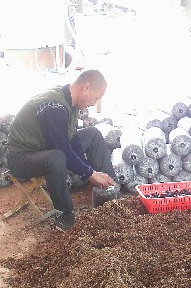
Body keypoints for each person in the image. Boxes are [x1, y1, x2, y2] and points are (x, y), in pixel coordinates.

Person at [7, 69, 116, 231]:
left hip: (42, 148)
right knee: (57, 157)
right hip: (22, 157)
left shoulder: (69, 101)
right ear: (86, 88)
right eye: (96, 98)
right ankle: (64, 213)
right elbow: (63, 149)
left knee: (92, 134)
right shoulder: (54, 107)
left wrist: (92, 172)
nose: (94, 103)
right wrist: (90, 174)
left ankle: (110, 190)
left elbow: (73, 141)